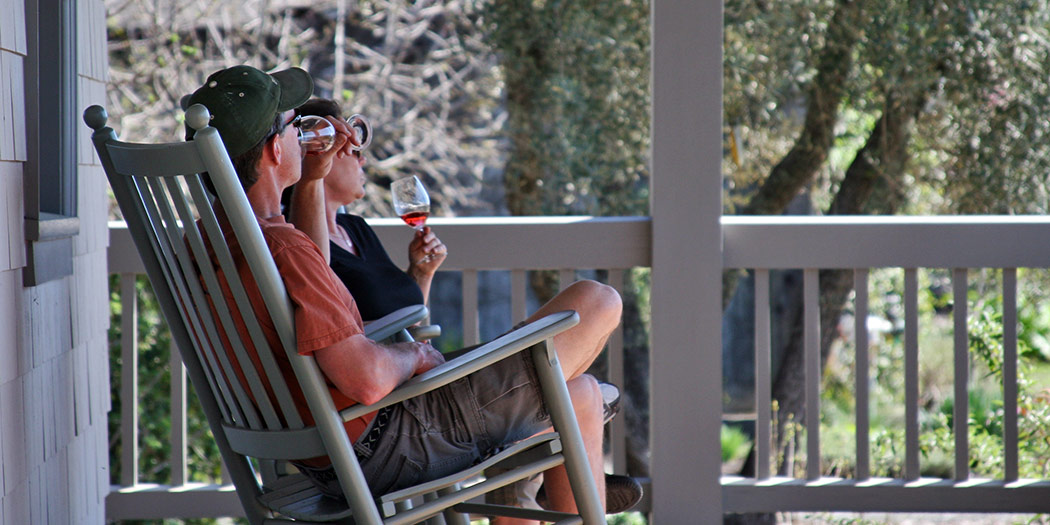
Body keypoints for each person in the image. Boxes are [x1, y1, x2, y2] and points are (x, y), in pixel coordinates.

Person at [183, 65, 627, 521]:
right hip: (390, 441)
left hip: (328, 455)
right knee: (596, 305)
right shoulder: (281, 247)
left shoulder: (203, 245)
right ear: (277, 149)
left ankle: (525, 454)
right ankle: (524, 457)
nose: (304, 137)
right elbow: (367, 379)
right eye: (295, 128)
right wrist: (413, 355)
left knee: (580, 393)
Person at [287, 98, 643, 515]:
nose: (361, 157)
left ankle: (534, 457)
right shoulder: (298, 242)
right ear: (312, 155)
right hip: (401, 416)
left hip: (418, 395)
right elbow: (322, 288)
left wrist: (419, 275)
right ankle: (543, 461)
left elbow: (400, 326)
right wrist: (311, 179)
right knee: (597, 306)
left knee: (578, 392)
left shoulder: (355, 229)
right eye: (347, 148)